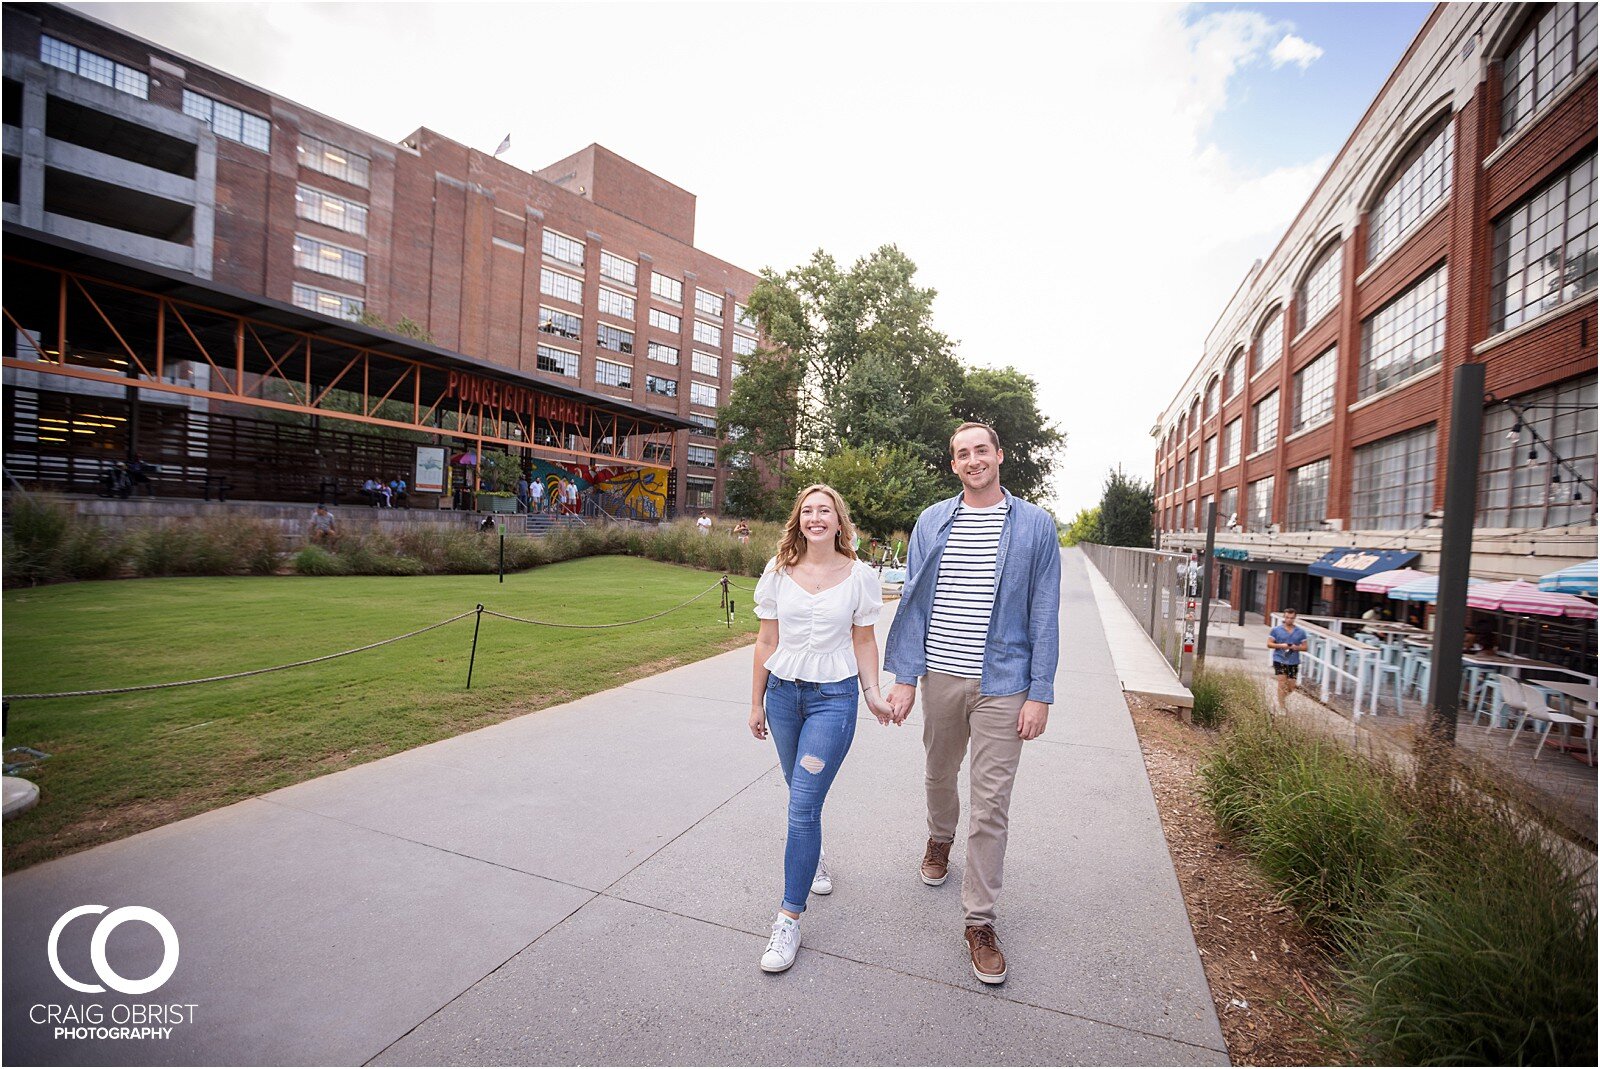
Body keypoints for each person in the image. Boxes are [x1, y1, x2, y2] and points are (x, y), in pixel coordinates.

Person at [882, 421, 1061, 986]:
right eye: (962, 454)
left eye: (981, 449)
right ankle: (940, 836)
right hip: (939, 676)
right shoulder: (932, 521)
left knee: (991, 804)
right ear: (954, 465)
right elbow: (912, 603)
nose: (973, 459)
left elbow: (1044, 614)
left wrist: (1040, 692)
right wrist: (905, 677)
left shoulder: (1034, 526)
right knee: (939, 773)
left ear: (1000, 456)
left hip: (1003, 685)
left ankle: (979, 921)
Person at [749, 484, 895, 974]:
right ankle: (814, 858)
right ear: (799, 519)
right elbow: (766, 639)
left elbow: (865, 641)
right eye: (807, 510)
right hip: (784, 699)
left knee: (801, 805)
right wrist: (756, 702)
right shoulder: (778, 571)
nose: (815, 518)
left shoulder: (860, 576)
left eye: (824, 511)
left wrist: (873, 693)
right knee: (799, 794)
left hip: (833, 701)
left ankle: (788, 919)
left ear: (838, 521)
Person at [1268, 608, 1309, 710]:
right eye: (1287, 617)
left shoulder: (1301, 632)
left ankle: (1280, 698)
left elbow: (1305, 647)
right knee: (1281, 683)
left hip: (1293, 661)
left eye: (1291, 618)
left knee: (1291, 686)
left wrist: (1297, 647)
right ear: (1284, 617)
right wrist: (1281, 645)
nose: (1289, 620)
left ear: (1294, 618)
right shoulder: (1276, 630)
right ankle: (1282, 708)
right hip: (1279, 659)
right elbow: (1269, 644)